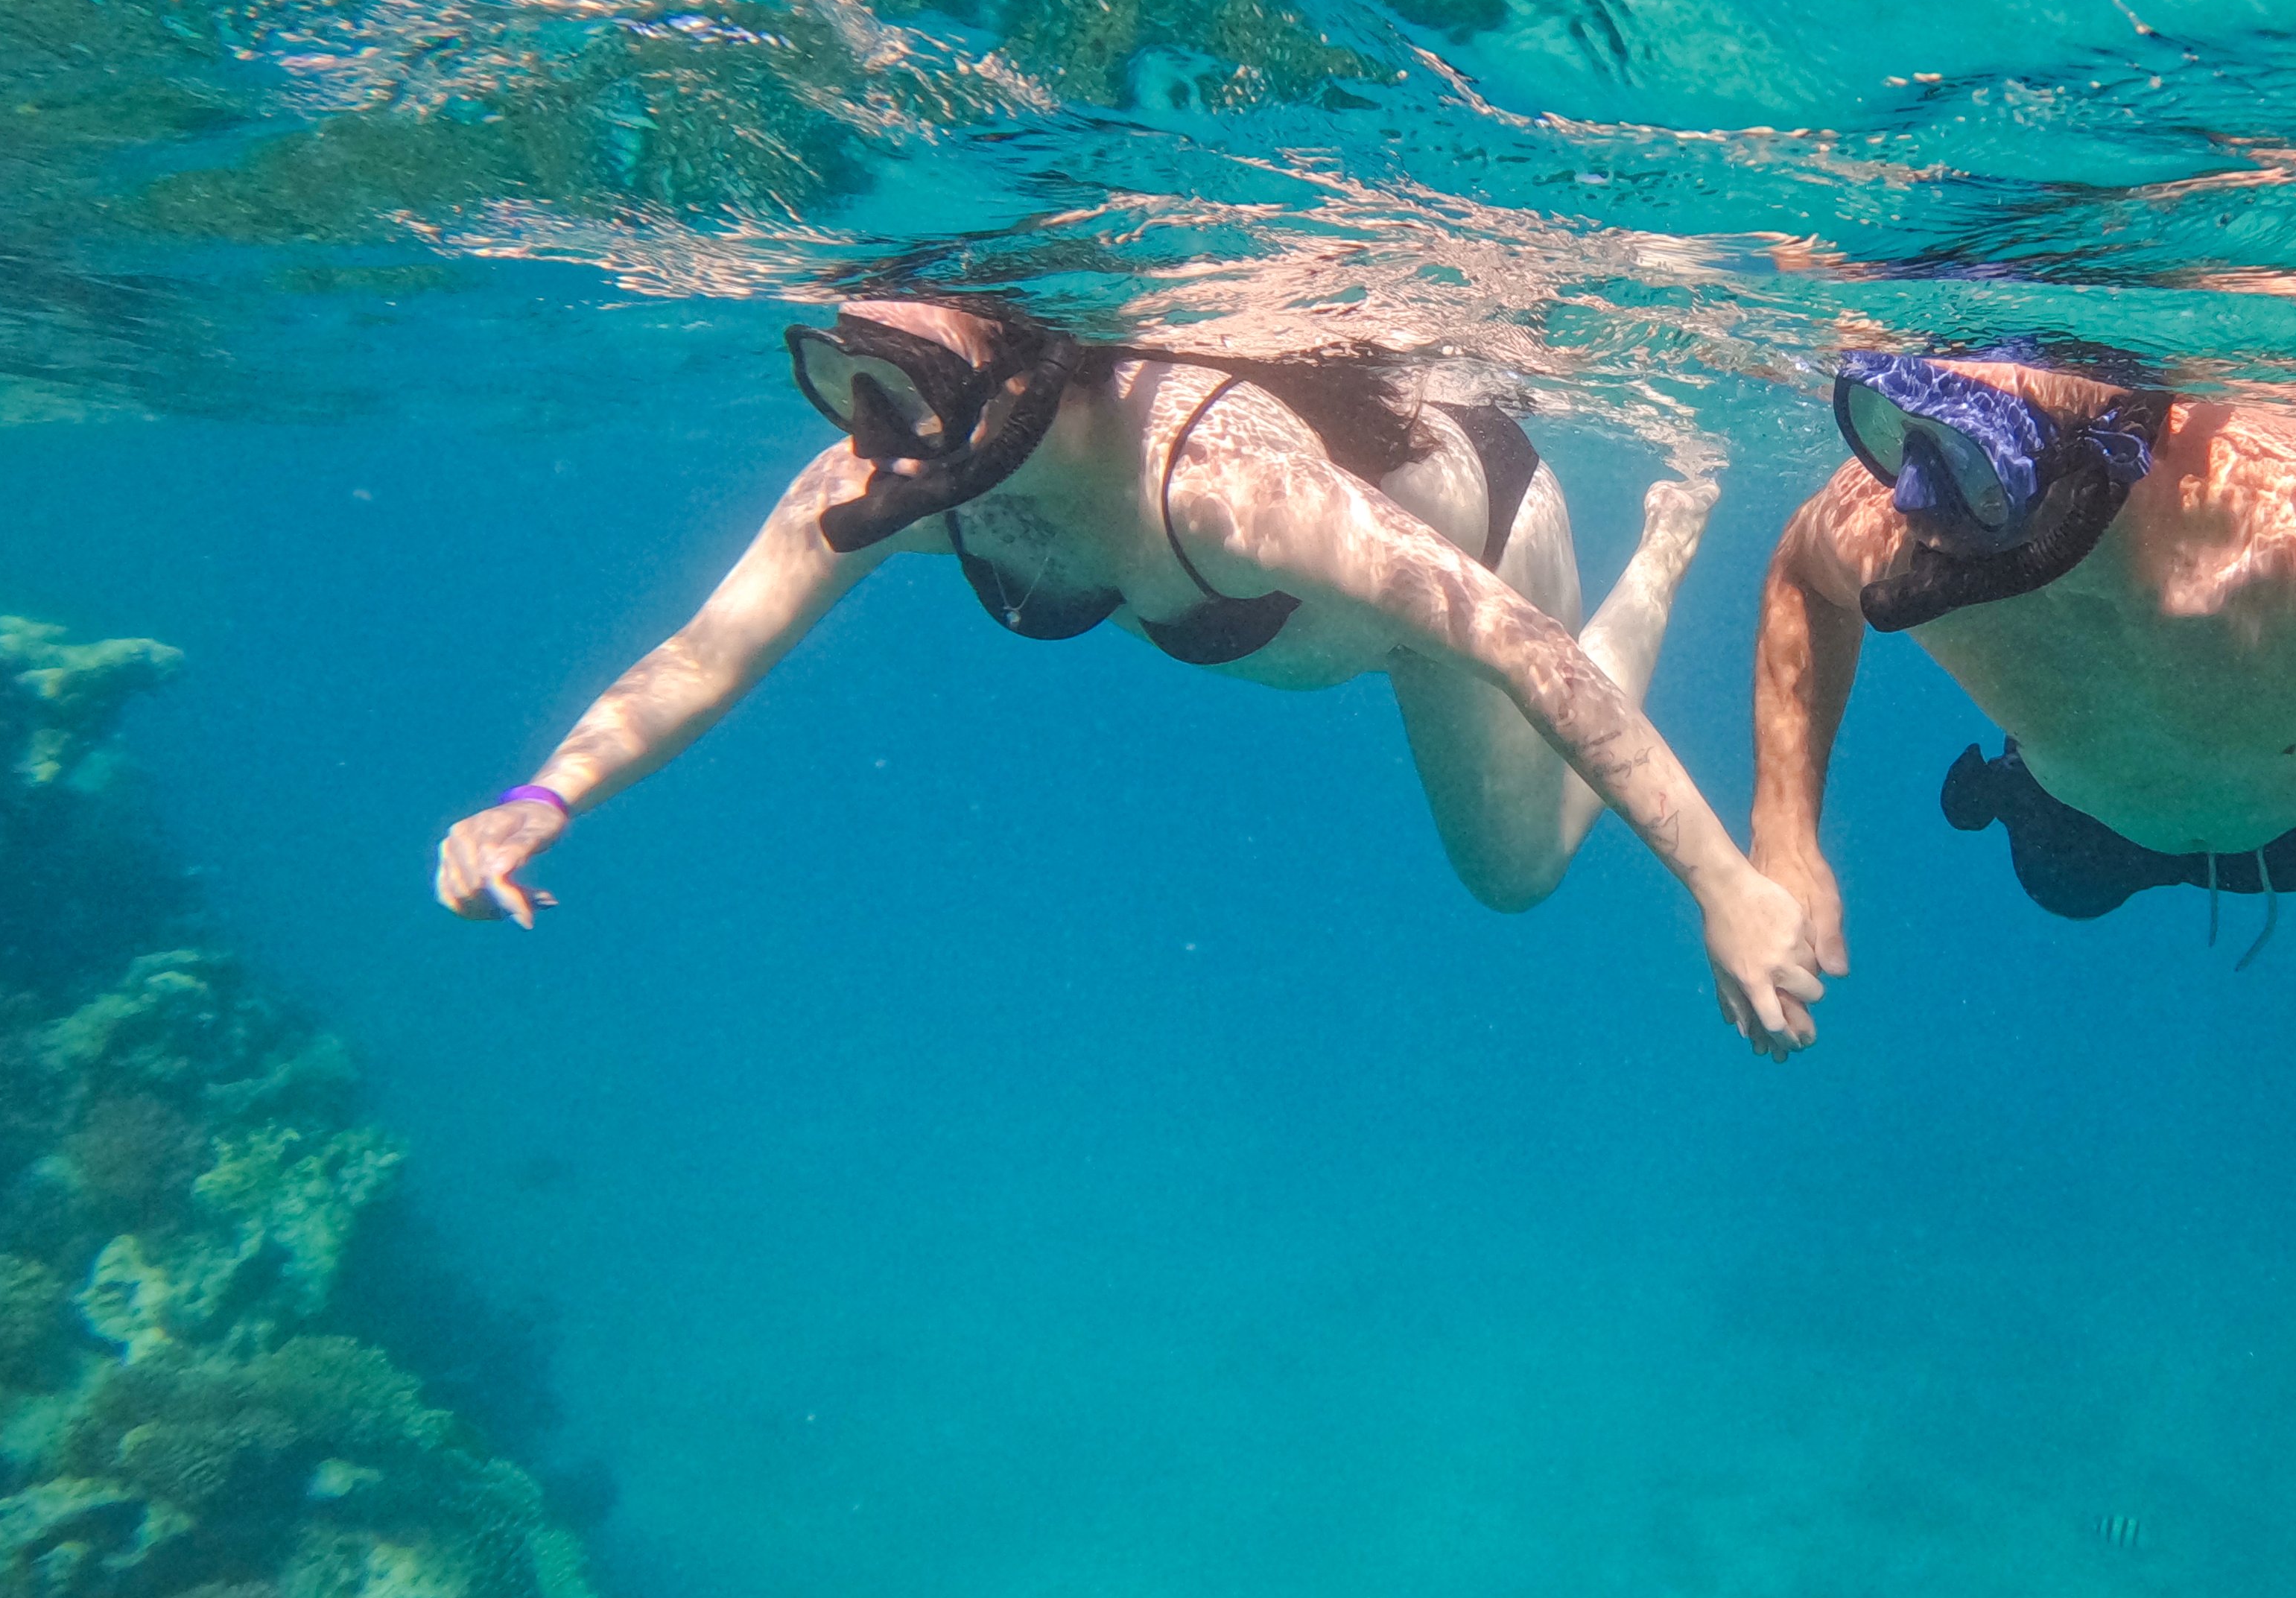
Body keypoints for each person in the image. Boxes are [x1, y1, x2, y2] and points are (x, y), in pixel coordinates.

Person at [431, 296, 1830, 1054]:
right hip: (1352, 604)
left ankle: (1661, 551)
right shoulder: (901, 473)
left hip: (1481, 544)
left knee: (1517, 871)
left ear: (1022, 381)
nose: (885, 437)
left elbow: (1514, 648)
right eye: (858, 382)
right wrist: (541, 798)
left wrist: (1722, 887)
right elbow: (712, 645)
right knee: (1505, 870)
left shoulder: (1224, 488)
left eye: (917, 389)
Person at [1745, 352, 2296, 1149]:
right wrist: (1784, 831)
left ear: (2097, 461)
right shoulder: (1888, 525)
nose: (1912, 509)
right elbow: (1799, 574)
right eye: (1897, 443)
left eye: (1974, 465)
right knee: (2060, 889)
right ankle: (2010, 786)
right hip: (2083, 813)